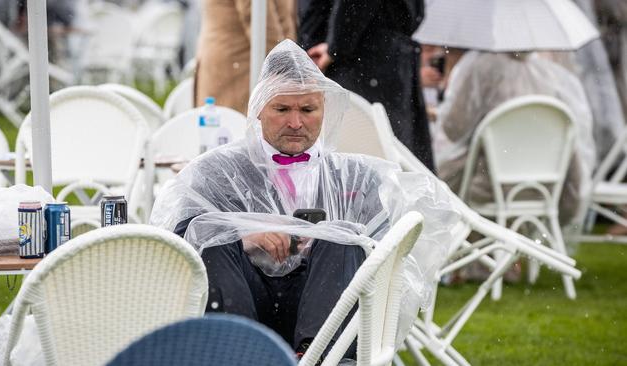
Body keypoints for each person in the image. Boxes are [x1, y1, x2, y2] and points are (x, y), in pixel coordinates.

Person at [151, 40, 457, 358]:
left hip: (328, 312)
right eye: (282, 109)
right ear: (258, 110)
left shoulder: (354, 175)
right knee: (211, 238)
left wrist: (325, 242)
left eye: (307, 110)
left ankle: (317, 357)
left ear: (323, 109)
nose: (296, 123)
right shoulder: (218, 169)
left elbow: (386, 255)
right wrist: (241, 234)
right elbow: (177, 242)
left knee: (346, 236)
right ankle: (240, 352)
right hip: (244, 298)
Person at [435, 51, 596, 226]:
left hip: (488, 185)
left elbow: (454, 129)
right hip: (542, 186)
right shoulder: (551, 74)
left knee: (436, 175)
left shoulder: (480, 67)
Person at [297, 0, 435, 171]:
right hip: (383, 59)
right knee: (386, 162)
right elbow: (414, 15)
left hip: (364, 63)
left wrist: (336, 47)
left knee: (363, 163)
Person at [194, 0, 295, 114]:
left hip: (230, 61)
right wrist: (287, 68)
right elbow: (259, 18)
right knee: (235, 126)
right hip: (239, 67)